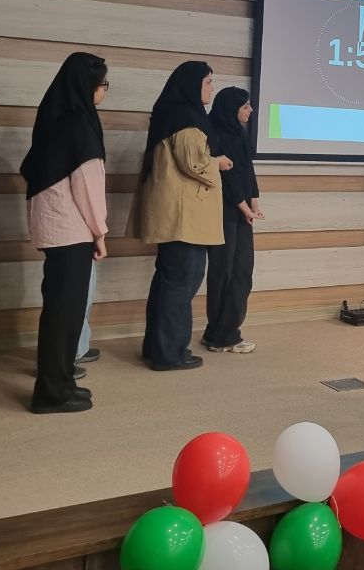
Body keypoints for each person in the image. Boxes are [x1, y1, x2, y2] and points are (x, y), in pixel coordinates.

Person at [19, 52, 109, 414]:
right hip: (72, 231)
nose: (104, 91)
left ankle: (61, 382)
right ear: (87, 87)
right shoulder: (79, 124)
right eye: (103, 85)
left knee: (62, 312)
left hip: (55, 228)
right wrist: (100, 233)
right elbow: (88, 186)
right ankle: (51, 393)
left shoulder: (54, 118)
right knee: (64, 315)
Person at [130, 61, 233, 371]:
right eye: (208, 82)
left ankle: (157, 348)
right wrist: (218, 162)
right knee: (181, 283)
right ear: (192, 85)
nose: (212, 89)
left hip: (175, 217)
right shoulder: (188, 121)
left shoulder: (171, 113)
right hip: (184, 219)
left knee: (168, 282)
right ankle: (170, 353)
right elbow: (195, 164)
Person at [202, 86, 262, 354]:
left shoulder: (240, 132)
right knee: (224, 273)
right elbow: (226, 178)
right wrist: (243, 206)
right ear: (231, 108)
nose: (251, 110)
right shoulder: (215, 133)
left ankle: (218, 332)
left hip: (241, 211)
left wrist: (254, 201)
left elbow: (247, 171)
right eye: (245, 106)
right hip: (224, 211)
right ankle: (223, 335)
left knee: (242, 271)